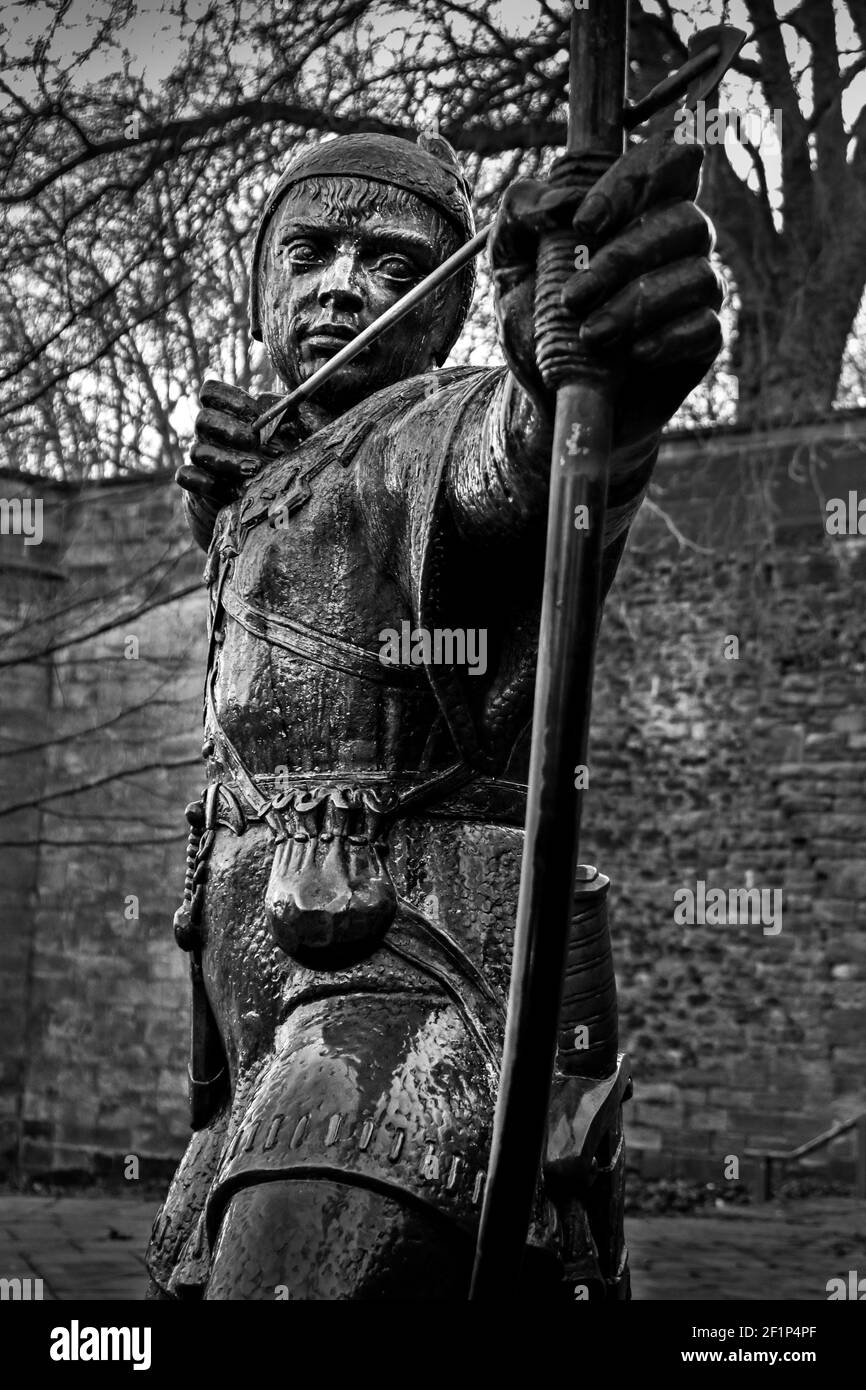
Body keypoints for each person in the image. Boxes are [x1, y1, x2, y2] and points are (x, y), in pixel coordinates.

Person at [146, 129, 723, 1300]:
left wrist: (579, 358)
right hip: (255, 1025)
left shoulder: (438, 426)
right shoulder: (282, 457)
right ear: (259, 282)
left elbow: (517, 462)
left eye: (390, 263)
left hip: (403, 1014)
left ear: (452, 299)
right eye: (306, 253)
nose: (341, 287)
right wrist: (231, 483)